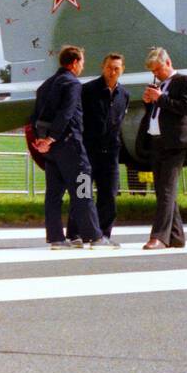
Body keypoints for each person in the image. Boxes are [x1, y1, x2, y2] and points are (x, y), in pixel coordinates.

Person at [29, 45, 106, 248]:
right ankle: (94, 236)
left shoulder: (45, 85)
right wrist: (52, 138)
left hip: (51, 153)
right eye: (81, 62)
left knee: (53, 195)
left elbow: (34, 116)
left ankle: (56, 237)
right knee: (83, 189)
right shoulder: (72, 84)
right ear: (74, 63)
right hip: (71, 147)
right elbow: (67, 113)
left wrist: (41, 140)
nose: (82, 66)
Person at [139, 47, 187, 250]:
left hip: (176, 143)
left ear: (168, 63)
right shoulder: (160, 85)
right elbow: (159, 111)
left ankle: (159, 236)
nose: (156, 74)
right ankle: (176, 235)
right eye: (153, 71)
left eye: (158, 69)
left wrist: (161, 98)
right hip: (158, 141)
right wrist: (150, 102)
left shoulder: (184, 81)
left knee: (166, 190)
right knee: (162, 190)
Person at [68, 53, 129, 242]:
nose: (112, 71)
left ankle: (103, 234)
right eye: (109, 67)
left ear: (122, 70)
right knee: (82, 191)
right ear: (103, 67)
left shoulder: (124, 95)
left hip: (110, 153)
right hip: (88, 150)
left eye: (116, 68)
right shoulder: (87, 90)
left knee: (109, 195)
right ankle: (75, 234)